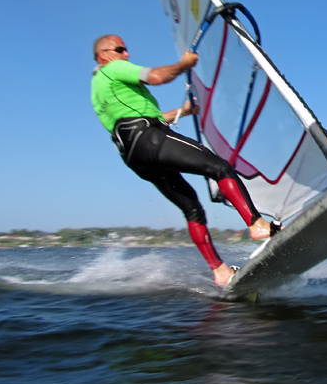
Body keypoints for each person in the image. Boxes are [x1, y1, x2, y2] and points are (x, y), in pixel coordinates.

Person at [90, 34, 279, 287]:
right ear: (104, 55)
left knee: (192, 208)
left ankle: (220, 272)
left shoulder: (98, 88)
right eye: (121, 49)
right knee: (219, 167)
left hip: (134, 155)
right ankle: (257, 224)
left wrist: (184, 111)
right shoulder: (113, 68)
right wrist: (185, 64)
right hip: (149, 137)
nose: (127, 55)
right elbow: (157, 76)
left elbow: (137, 117)